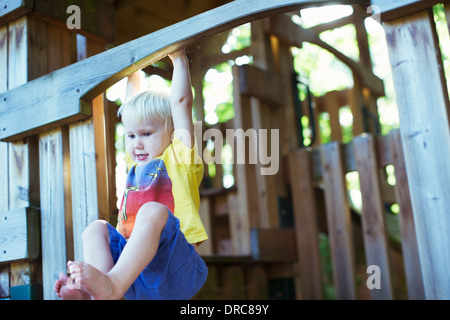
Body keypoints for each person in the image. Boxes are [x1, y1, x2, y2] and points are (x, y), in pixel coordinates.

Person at [54, 48, 208, 300]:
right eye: (131, 136)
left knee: (153, 210)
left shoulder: (179, 156)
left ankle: (111, 285)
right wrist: (133, 67)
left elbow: (181, 103)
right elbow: (128, 106)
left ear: (171, 135)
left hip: (175, 270)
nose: (137, 143)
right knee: (96, 229)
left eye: (146, 134)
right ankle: (98, 294)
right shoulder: (134, 163)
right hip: (134, 276)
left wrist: (179, 58)